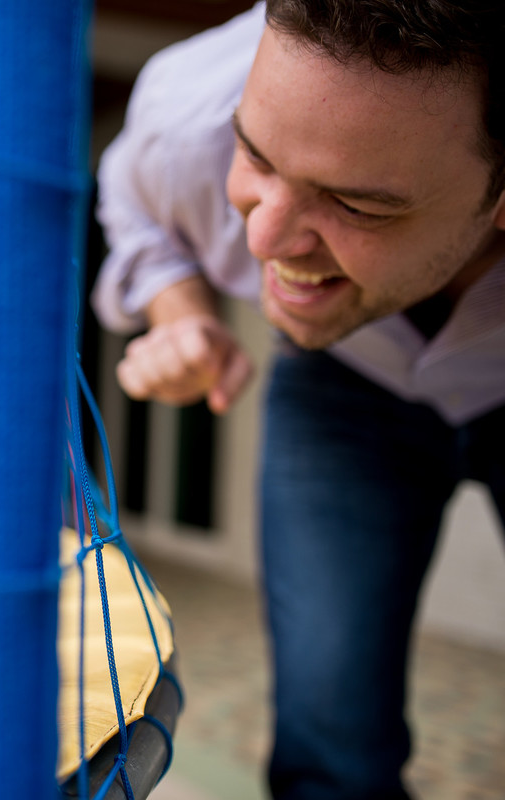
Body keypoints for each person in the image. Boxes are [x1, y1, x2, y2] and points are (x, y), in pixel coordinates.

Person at [93, 2, 505, 799]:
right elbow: (134, 193)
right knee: (329, 727)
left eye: (358, 206)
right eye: (255, 156)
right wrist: (182, 313)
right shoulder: (189, 109)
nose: (263, 242)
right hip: (344, 387)